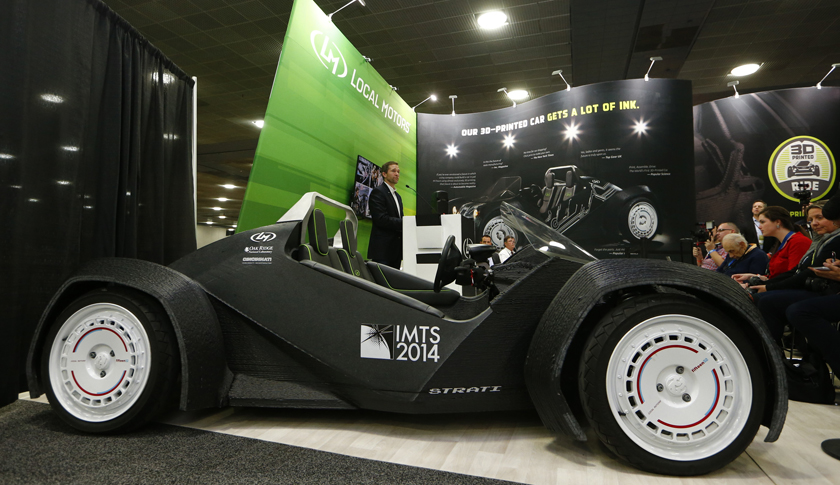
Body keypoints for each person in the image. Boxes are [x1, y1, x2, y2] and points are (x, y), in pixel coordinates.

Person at [751, 205, 840, 342]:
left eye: (819, 217)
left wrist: (768, 286)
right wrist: (763, 281)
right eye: (810, 219)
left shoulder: (799, 241)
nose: (814, 223)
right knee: (760, 297)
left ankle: (771, 353)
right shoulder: (819, 241)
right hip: (809, 286)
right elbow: (797, 271)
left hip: (816, 288)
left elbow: (802, 274)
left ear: (778, 222)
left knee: (771, 302)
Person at [367, 161, 403, 269]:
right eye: (393, 171)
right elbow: (380, 219)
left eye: (398, 171)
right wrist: (405, 223)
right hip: (382, 251)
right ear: (384, 174)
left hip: (396, 251)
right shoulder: (378, 192)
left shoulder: (398, 197)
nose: (397, 174)